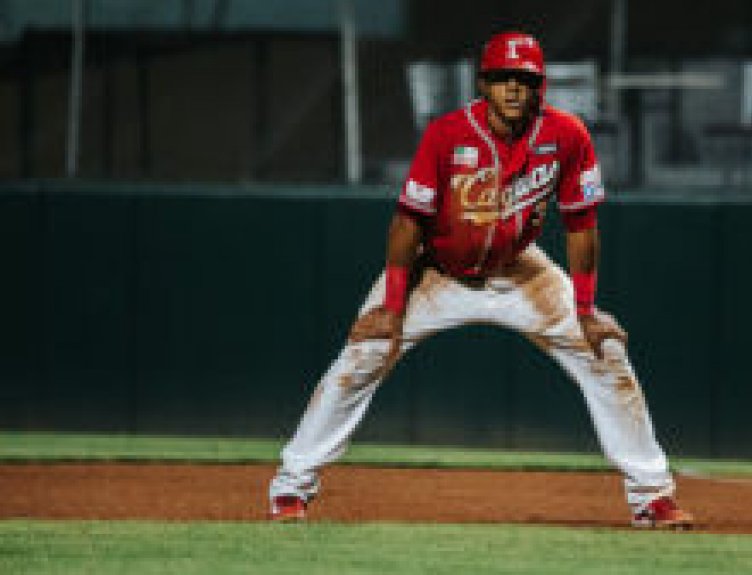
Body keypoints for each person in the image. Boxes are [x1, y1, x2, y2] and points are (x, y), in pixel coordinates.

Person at [266, 31, 694, 530]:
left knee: (606, 352)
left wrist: (585, 310)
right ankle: (291, 487)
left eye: (523, 79)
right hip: (437, 270)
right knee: (363, 354)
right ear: (483, 84)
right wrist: (393, 305)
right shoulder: (447, 134)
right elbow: (407, 221)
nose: (513, 87)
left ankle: (651, 496)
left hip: (520, 271)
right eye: (502, 77)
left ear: (540, 86)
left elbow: (581, 224)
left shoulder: (567, 135)